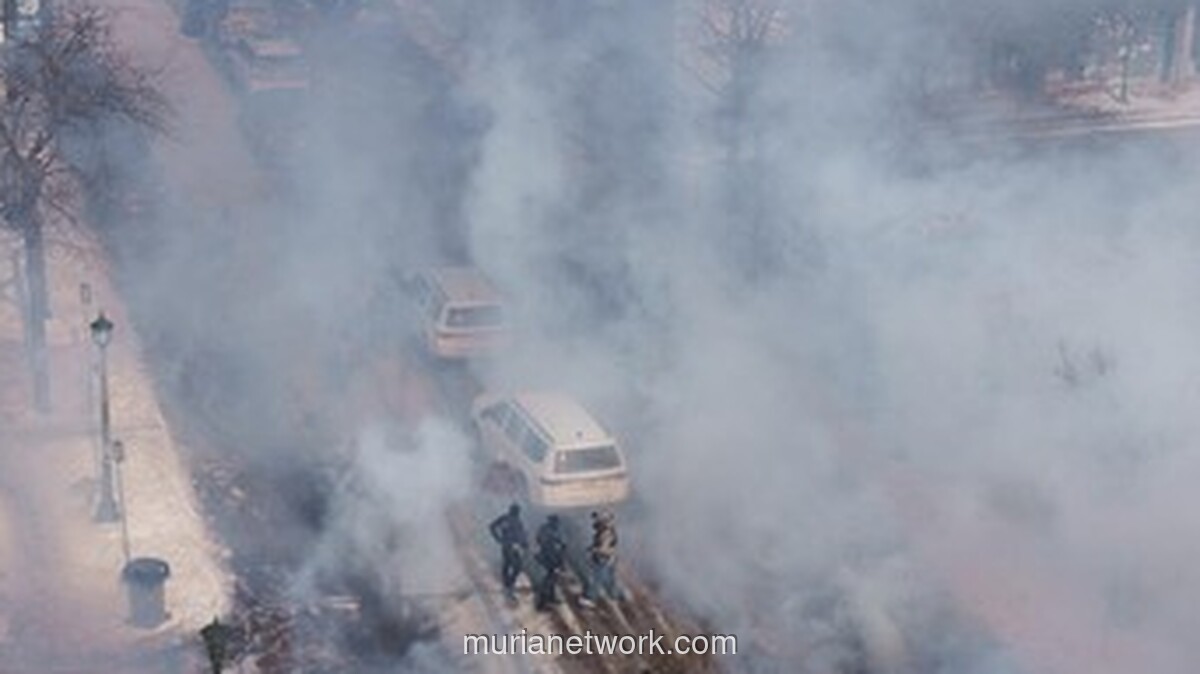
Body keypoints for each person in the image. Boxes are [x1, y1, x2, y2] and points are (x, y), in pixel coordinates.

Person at [581, 510, 625, 606]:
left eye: (599, 520)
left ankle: (591, 598)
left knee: (596, 579)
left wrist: (593, 550)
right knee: (610, 579)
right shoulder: (607, 530)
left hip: (603, 558)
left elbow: (603, 548)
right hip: (610, 558)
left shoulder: (606, 533)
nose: (596, 522)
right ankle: (617, 595)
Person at [489, 503, 529, 601]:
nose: (518, 512)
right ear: (512, 510)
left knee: (510, 565)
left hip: (513, 546)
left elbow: (520, 534)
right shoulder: (506, 519)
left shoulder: (517, 520)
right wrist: (498, 538)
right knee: (516, 566)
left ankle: (507, 586)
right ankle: (508, 587)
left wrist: (524, 543)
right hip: (508, 546)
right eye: (516, 510)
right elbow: (492, 527)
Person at [534, 514, 568, 611]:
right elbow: (553, 548)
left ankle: (551, 598)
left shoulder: (544, 529)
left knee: (551, 579)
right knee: (549, 580)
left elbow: (540, 540)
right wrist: (558, 564)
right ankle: (542, 603)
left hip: (547, 558)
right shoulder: (550, 532)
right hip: (549, 559)